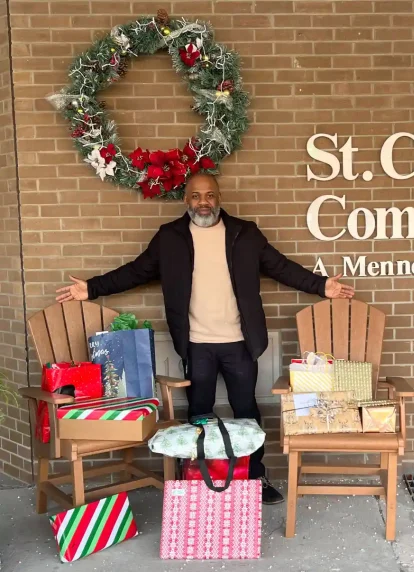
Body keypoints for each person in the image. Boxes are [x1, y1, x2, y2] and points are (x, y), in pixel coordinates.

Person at [56, 172, 354, 504]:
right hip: (196, 344)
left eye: (210, 195)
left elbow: (281, 267)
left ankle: (254, 477)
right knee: (199, 412)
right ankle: (201, 477)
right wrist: (92, 288)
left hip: (240, 343)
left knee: (246, 411)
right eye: (196, 196)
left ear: (219, 198)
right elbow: (136, 271)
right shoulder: (170, 237)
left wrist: (321, 285)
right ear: (187, 200)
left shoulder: (245, 234)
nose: (203, 202)